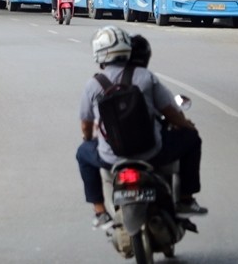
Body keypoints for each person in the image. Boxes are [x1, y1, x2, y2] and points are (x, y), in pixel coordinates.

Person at [76, 26, 206, 229]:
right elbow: (171, 112)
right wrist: (187, 126)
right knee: (192, 139)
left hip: (111, 158)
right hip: (151, 152)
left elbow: (85, 123)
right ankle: (186, 199)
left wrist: (88, 140)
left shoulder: (93, 85)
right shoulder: (146, 77)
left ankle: (100, 211)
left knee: (83, 153)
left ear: (99, 53)